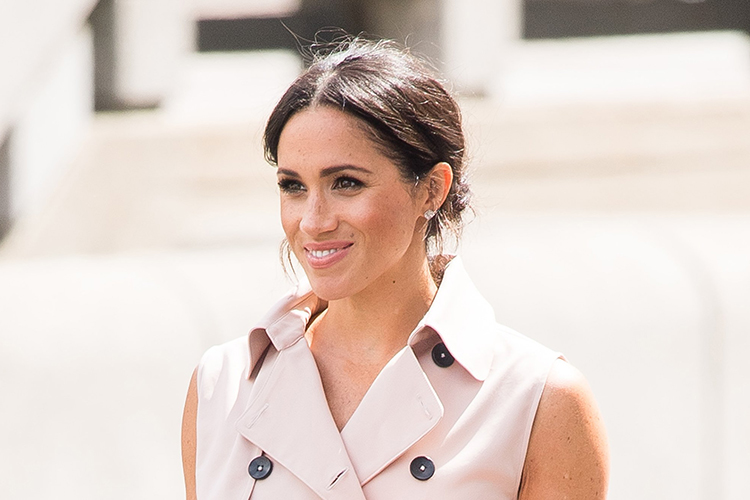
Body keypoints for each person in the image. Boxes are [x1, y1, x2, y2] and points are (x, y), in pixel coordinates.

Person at [181, 38, 609, 499]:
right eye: (293, 186)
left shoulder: (536, 398)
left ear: (432, 189)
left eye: (346, 183)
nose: (313, 221)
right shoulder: (222, 385)